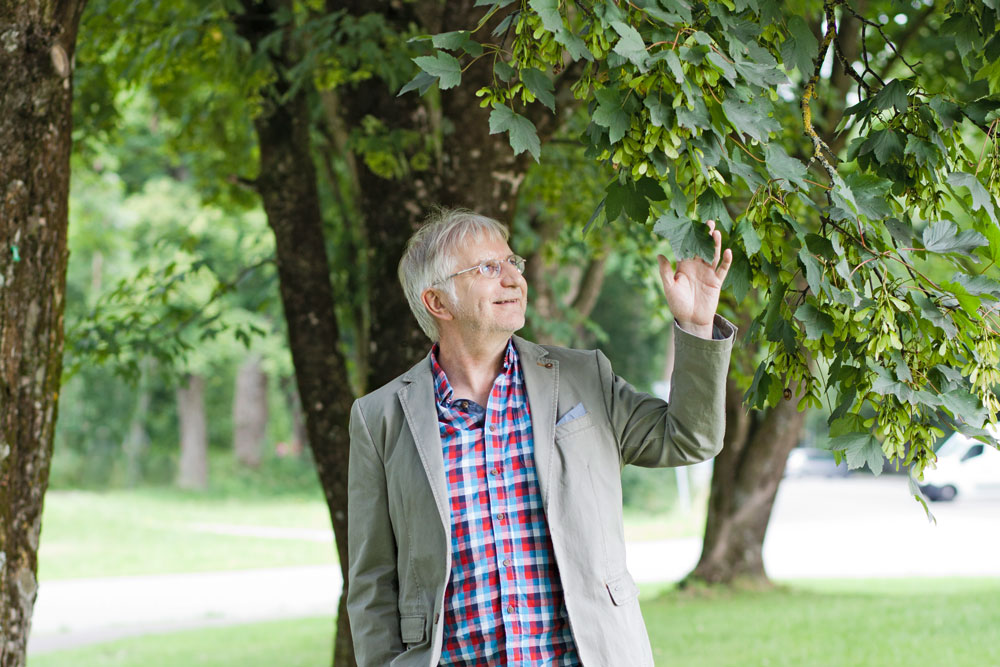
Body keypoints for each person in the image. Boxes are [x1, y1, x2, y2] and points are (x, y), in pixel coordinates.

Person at [347, 208, 735, 666]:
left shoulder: (583, 376)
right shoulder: (380, 417)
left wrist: (695, 326)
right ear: (438, 302)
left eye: (514, 263)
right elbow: (373, 583)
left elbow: (691, 438)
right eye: (489, 268)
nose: (513, 278)